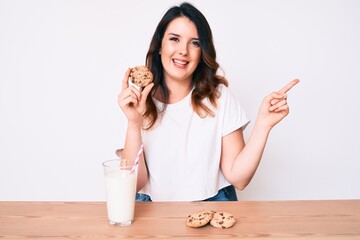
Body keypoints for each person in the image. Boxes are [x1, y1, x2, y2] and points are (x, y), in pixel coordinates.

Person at [117, 2, 299, 202]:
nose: (183, 51)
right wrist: (134, 123)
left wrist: (263, 125)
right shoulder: (137, 102)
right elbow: (134, 184)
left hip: (213, 207)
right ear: (160, 46)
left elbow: (239, 178)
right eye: (174, 39)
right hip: (154, 213)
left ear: (202, 52)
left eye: (194, 43)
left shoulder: (218, 97)